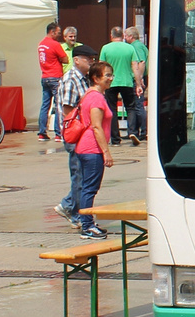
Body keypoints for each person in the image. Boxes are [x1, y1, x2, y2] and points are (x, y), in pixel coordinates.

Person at [53, 43, 97, 227]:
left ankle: (68, 205)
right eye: (88, 59)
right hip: (75, 134)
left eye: (93, 59)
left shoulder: (84, 78)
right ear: (76, 60)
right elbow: (67, 110)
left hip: (83, 134)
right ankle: (75, 213)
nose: (91, 63)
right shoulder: (71, 79)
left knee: (84, 175)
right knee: (79, 176)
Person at [72, 61, 114, 239]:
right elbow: (96, 127)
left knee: (86, 188)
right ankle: (87, 226)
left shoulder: (89, 95)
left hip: (85, 148)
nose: (111, 79)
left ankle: (87, 222)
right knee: (90, 189)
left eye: (112, 75)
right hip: (92, 149)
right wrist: (106, 152)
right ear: (96, 78)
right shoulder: (96, 97)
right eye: (107, 76)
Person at [99, 27, 137, 145]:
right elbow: (135, 65)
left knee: (112, 109)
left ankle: (115, 138)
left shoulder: (105, 48)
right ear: (123, 36)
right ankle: (132, 132)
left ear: (111, 35)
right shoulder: (130, 48)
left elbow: (101, 66)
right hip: (127, 81)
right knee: (130, 108)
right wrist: (139, 82)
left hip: (111, 82)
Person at [36, 21, 69, 140]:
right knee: (58, 105)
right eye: (58, 33)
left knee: (45, 105)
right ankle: (58, 133)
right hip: (55, 77)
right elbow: (65, 59)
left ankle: (42, 132)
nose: (59, 35)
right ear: (52, 32)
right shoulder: (54, 44)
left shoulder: (41, 44)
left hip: (45, 76)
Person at [125, 25, 148, 141]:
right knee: (135, 105)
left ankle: (144, 131)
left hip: (139, 78)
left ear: (130, 36)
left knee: (138, 105)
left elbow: (141, 62)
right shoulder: (138, 45)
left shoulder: (136, 46)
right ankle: (134, 131)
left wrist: (139, 79)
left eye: (125, 35)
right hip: (140, 77)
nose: (124, 38)